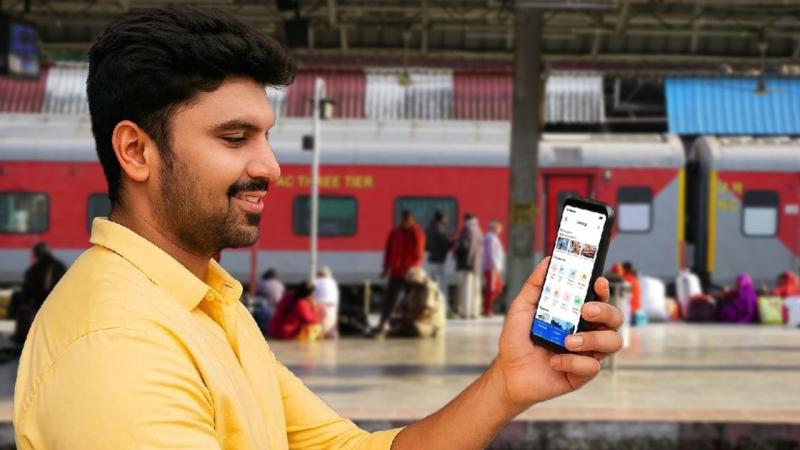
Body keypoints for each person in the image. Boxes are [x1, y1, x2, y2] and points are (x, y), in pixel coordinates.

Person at [13, 7, 623, 449]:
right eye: (234, 138)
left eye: (265, 136)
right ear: (136, 151)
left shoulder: (205, 306)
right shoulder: (117, 346)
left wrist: (507, 385)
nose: (271, 167)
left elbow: (347, 449)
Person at [373, 210, 425, 334]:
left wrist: (415, 270)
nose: (404, 222)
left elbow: (419, 254)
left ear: (412, 219)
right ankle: (384, 321)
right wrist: (385, 269)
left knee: (410, 300)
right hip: (396, 271)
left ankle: (409, 323)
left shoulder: (417, 233)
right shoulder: (394, 233)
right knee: (390, 298)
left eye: (407, 219)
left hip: (410, 274)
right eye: (403, 219)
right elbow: (388, 252)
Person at [13, 242, 66, 345]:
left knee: (17, 300)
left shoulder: (33, 270)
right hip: (58, 305)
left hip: (39, 305)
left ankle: (21, 337)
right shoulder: (60, 267)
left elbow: (27, 292)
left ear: (37, 255)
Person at [387, 267, 446, 338]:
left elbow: (426, 311)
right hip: (415, 320)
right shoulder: (415, 288)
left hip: (430, 324)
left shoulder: (429, 288)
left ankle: (402, 330)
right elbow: (405, 304)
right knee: (393, 321)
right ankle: (402, 329)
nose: (412, 285)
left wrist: (410, 320)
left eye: (414, 283)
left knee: (413, 328)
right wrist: (401, 309)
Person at [454, 213, 483, 319]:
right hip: (476, 264)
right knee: (475, 290)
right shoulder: (478, 230)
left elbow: (464, 246)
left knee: (466, 290)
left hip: (466, 263)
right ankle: (474, 311)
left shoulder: (466, 229)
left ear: (466, 220)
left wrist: (456, 249)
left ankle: (465, 312)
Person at [425, 210, 452, 311]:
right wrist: (454, 242)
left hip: (432, 258)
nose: (447, 220)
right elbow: (445, 243)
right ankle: (443, 308)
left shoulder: (429, 228)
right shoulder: (439, 228)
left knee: (432, 284)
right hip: (439, 260)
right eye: (445, 218)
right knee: (442, 286)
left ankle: (432, 306)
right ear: (442, 218)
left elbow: (427, 245)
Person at [482, 219, 506, 316]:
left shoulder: (493, 238)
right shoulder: (490, 238)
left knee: (496, 287)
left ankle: (487, 308)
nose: (500, 230)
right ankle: (487, 309)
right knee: (492, 289)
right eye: (499, 228)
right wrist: (495, 267)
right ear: (495, 228)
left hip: (493, 268)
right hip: (491, 268)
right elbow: (491, 254)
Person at [252, 268, 284, 334]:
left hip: (264, 310)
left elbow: (256, 297)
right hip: (276, 310)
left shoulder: (262, 284)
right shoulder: (279, 284)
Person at [314, 265, 340, 338]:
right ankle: (331, 334)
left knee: (321, 326)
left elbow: (311, 295)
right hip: (333, 307)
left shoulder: (316, 281)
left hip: (321, 306)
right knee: (330, 325)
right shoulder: (333, 282)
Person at [621, 261, 642, 325]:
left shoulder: (626, 279)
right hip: (636, 311)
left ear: (625, 269)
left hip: (631, 314)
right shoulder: (634, 279)